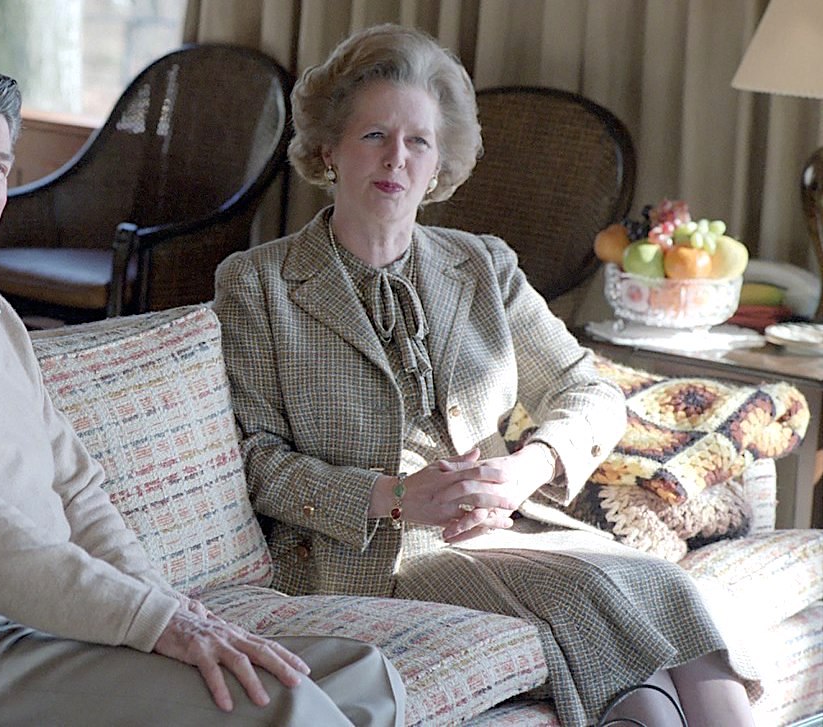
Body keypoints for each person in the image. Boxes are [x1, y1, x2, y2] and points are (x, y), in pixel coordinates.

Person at [0, 62, 405, 727]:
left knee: (358, 673)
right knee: (276, 700)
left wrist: (166, 605)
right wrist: (147, 621)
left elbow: (76, 490)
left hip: (30, 633)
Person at [213, 24, 757, 727]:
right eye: (374, 135)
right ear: (327, 148)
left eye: (418, 142)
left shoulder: (481, 265)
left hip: (505, 524)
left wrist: (530, 465)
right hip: (373, 550)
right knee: (606, 594)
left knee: (662, 590)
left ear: (439, 163)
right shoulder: (257, 282)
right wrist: (395, 496)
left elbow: (585, 389)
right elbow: (254, 461)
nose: (396, 159)